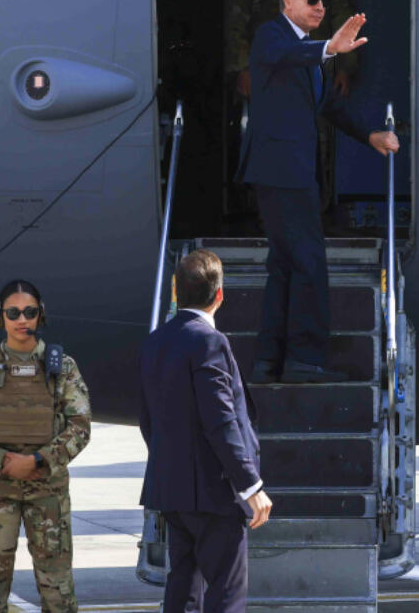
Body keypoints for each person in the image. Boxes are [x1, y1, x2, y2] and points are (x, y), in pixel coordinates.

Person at [236, 0, 399, 383]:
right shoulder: (272, 36)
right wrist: (330, 47)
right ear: (287, 0)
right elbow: (285, 55)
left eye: (324, 0)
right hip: (280, 172)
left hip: (294, 172)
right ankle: (305, 360)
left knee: (287, 264)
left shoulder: (310, 52)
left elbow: (329, 106)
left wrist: (370, 136)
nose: (320, 6)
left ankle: (270, 360)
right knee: (308, 261)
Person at [138, 249, 271, 613]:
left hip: (172, 490)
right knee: (226, 592)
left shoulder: (155, 342)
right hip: (213, 494)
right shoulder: (209, 341)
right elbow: (220, 419)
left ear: (176, 292)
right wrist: (251, 485)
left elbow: (148, 420)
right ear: (220, 295)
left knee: (182, 588)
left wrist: (174, 465)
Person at [0, 279, 92, 613]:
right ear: (0, 316)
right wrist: (2, 461)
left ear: (41, 315)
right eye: (13, 312)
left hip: (48, 492)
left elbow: (80, 426)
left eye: (29, 312)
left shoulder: (62, 368)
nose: (22, 319)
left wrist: (41, 460)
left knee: (58, 590)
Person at [225, 0, 359, 212]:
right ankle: (262, 217)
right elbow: (235, 16)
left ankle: (317, 214)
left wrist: (346, 66)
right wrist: (241, 68)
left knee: (318, 142)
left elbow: (343, 14)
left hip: (314, 68)